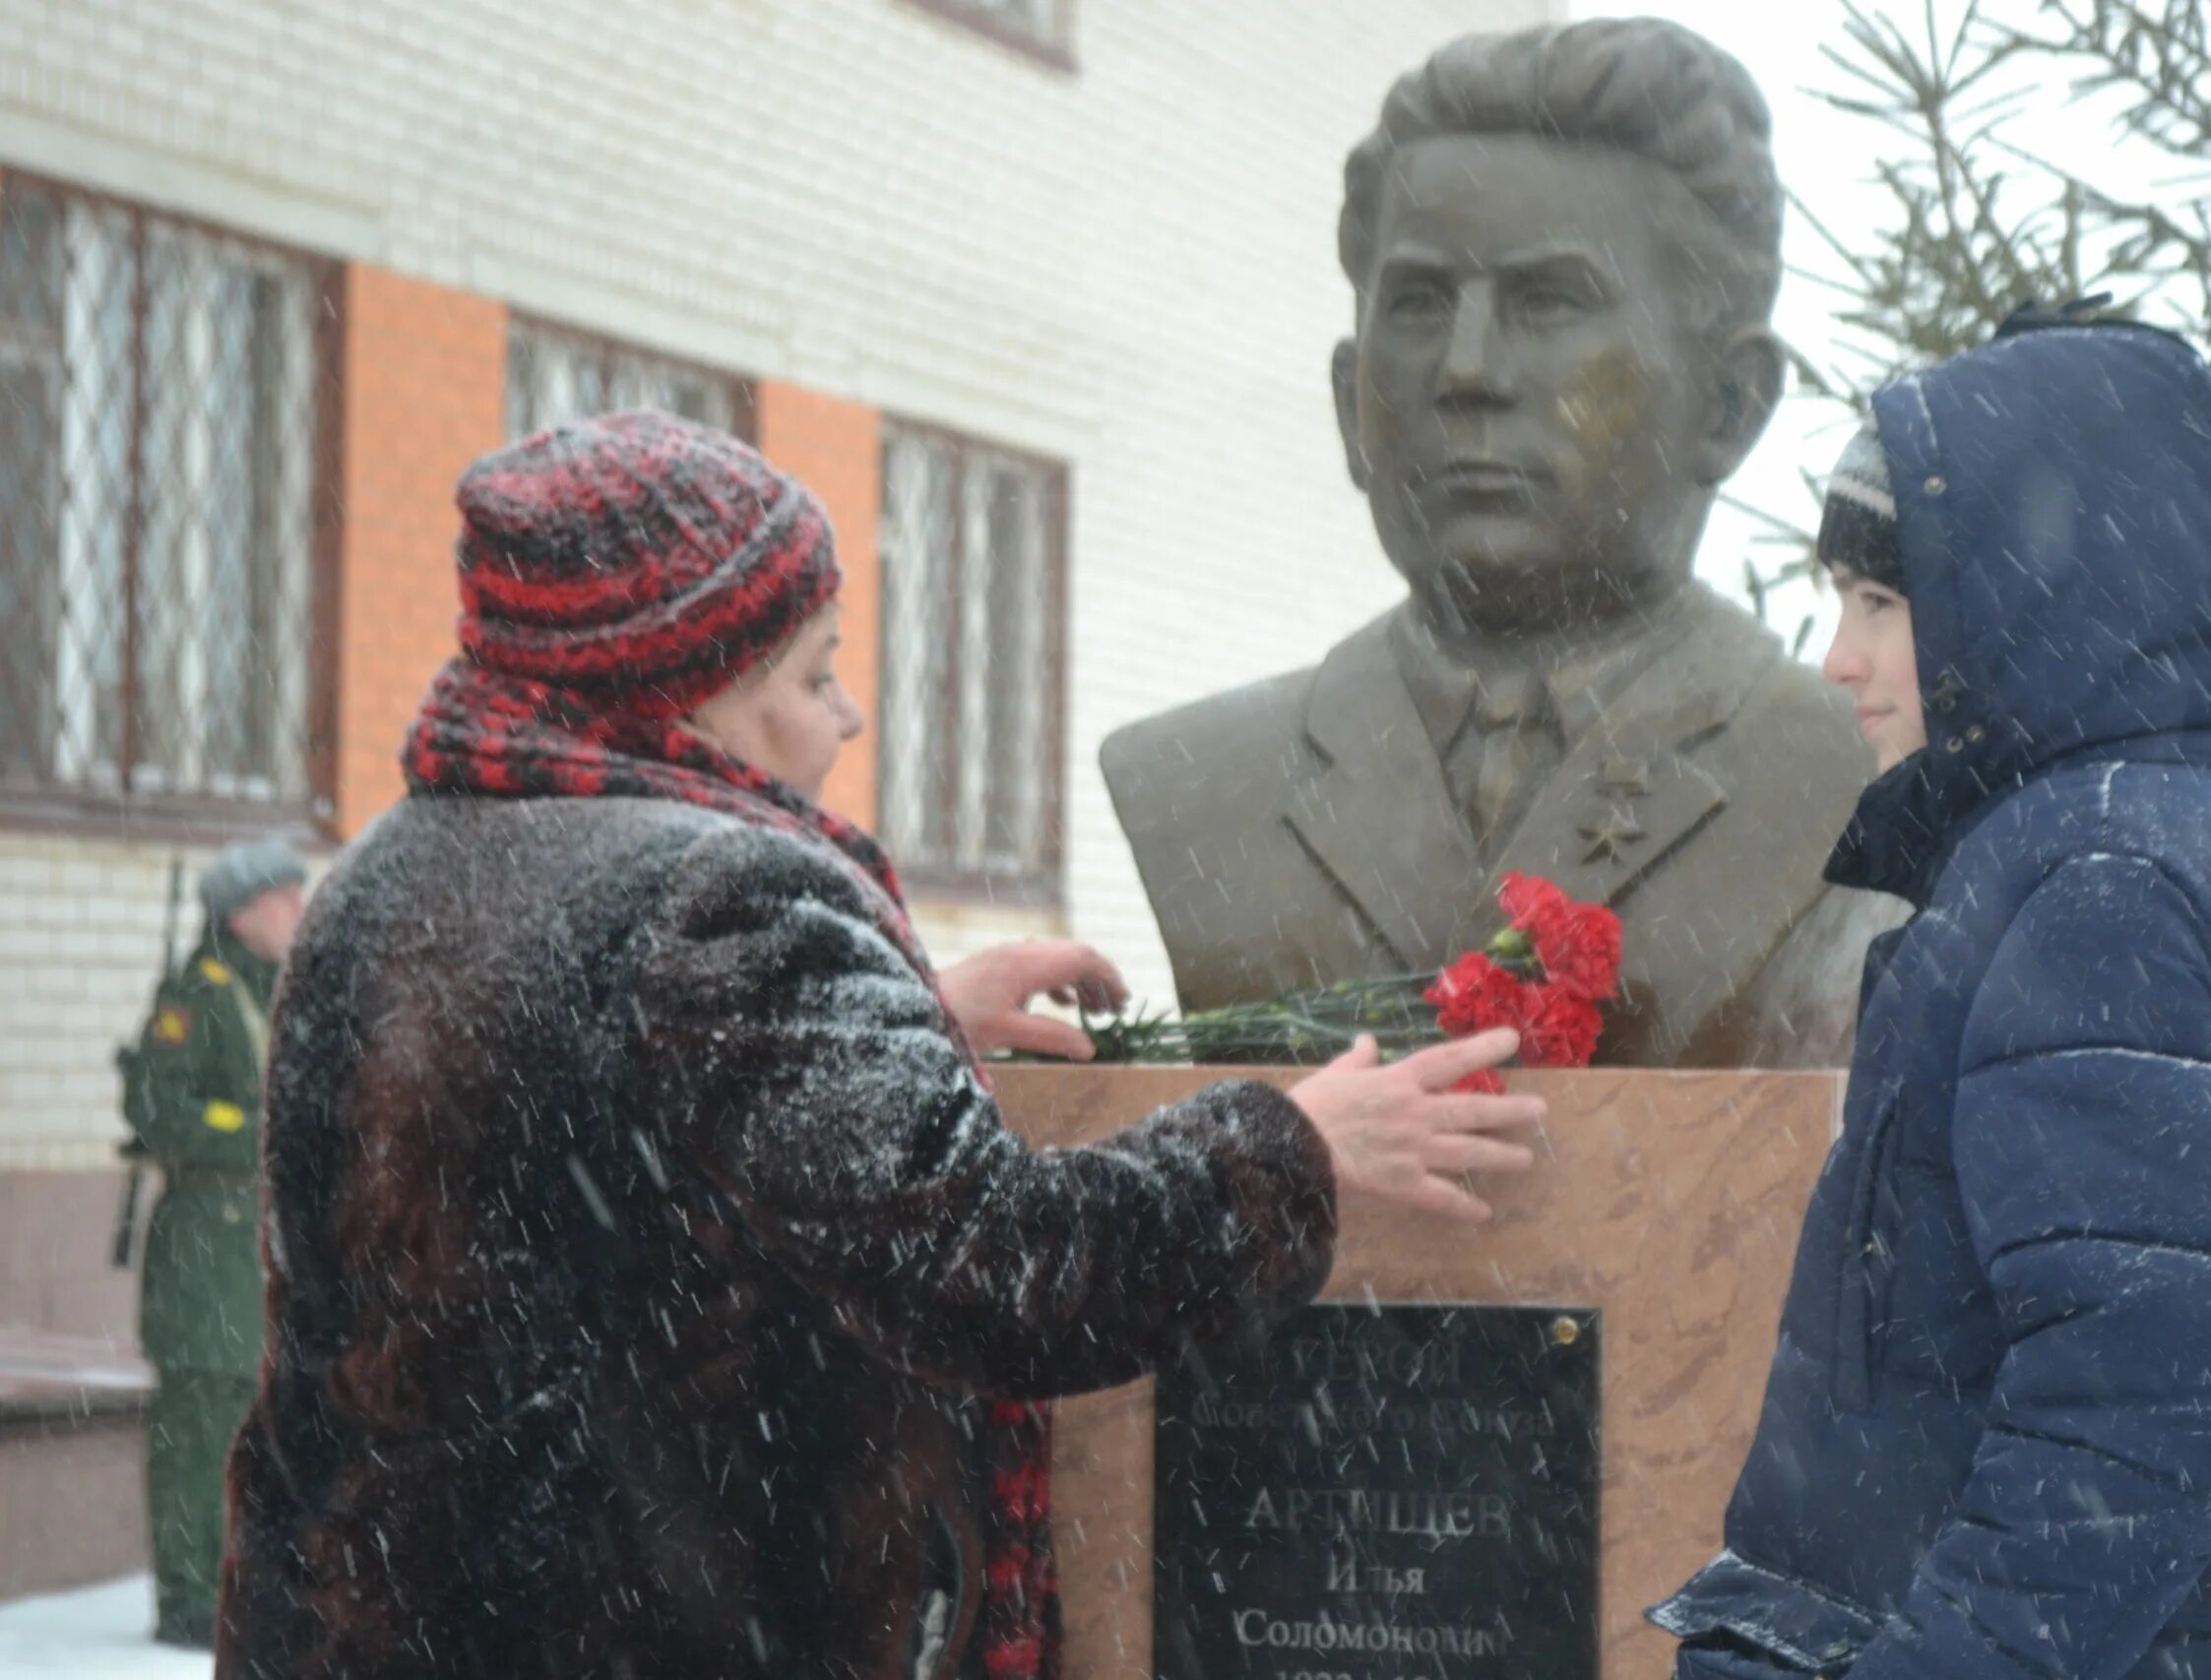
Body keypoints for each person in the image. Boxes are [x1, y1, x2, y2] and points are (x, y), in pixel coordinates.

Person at [216, 410, 1541, 1680]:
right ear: (689, 690)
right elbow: (1000, 1268)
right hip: (670, 1627)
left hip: (378, 1613)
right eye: (815, 669)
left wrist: (903, 1014)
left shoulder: (394, 869)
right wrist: (1289, 1147)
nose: (845, 715)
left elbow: (570, 1088)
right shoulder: (725, 904)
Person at [1645, 307, 2211, 1680]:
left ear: (2020, 608)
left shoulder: (2089, 880)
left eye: (1879, 601)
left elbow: (2146, 1406)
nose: (1835, 658)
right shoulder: (2196, 839)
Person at [1103, 18, 1896, 1070]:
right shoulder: (1196, 784)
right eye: (1422, 303)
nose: (1466, 369)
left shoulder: (1857, 783)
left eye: (1547, 301)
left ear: (1730, 401)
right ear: (1350, 402)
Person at [117, 839, 305, 1648]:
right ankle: (189, 1597)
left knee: (252, 1427)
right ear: (241, 913)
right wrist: (256, 1132)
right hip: (204, 1245)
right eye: (283, 898)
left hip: (255, 1250)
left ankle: (240, 1587)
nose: (298, 910)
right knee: (196, 1430)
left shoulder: (275, 990)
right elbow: (159, 1109)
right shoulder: (197, 995)